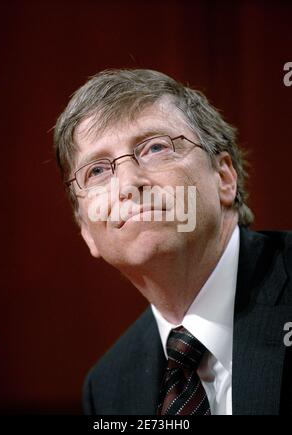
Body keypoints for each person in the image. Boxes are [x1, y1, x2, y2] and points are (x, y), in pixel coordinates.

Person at [54, 69, 292, 415]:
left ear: (224, 177)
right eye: (98, 171)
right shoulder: (108, 387)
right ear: (87, 232)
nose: (128, 185)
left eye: (154, 148)